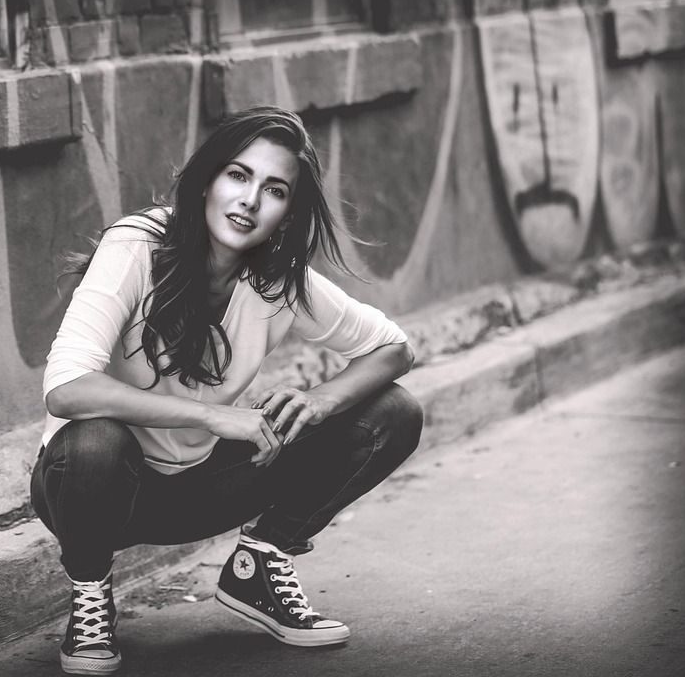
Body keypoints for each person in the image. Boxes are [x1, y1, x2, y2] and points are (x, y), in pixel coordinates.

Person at [31, 106, 424, 675]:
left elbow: (394, 349)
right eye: (238, 176)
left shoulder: (277, 281)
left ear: (288, 212)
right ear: (208, 180)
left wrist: (320, 401)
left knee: (392, 413)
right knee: (95, 439)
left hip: (200, 490)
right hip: (95, 491)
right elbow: (65, 389)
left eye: (274, 189)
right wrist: (214, 417)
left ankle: (261, 563)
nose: (250, 200)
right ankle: (90, 598)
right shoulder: (137, 246)